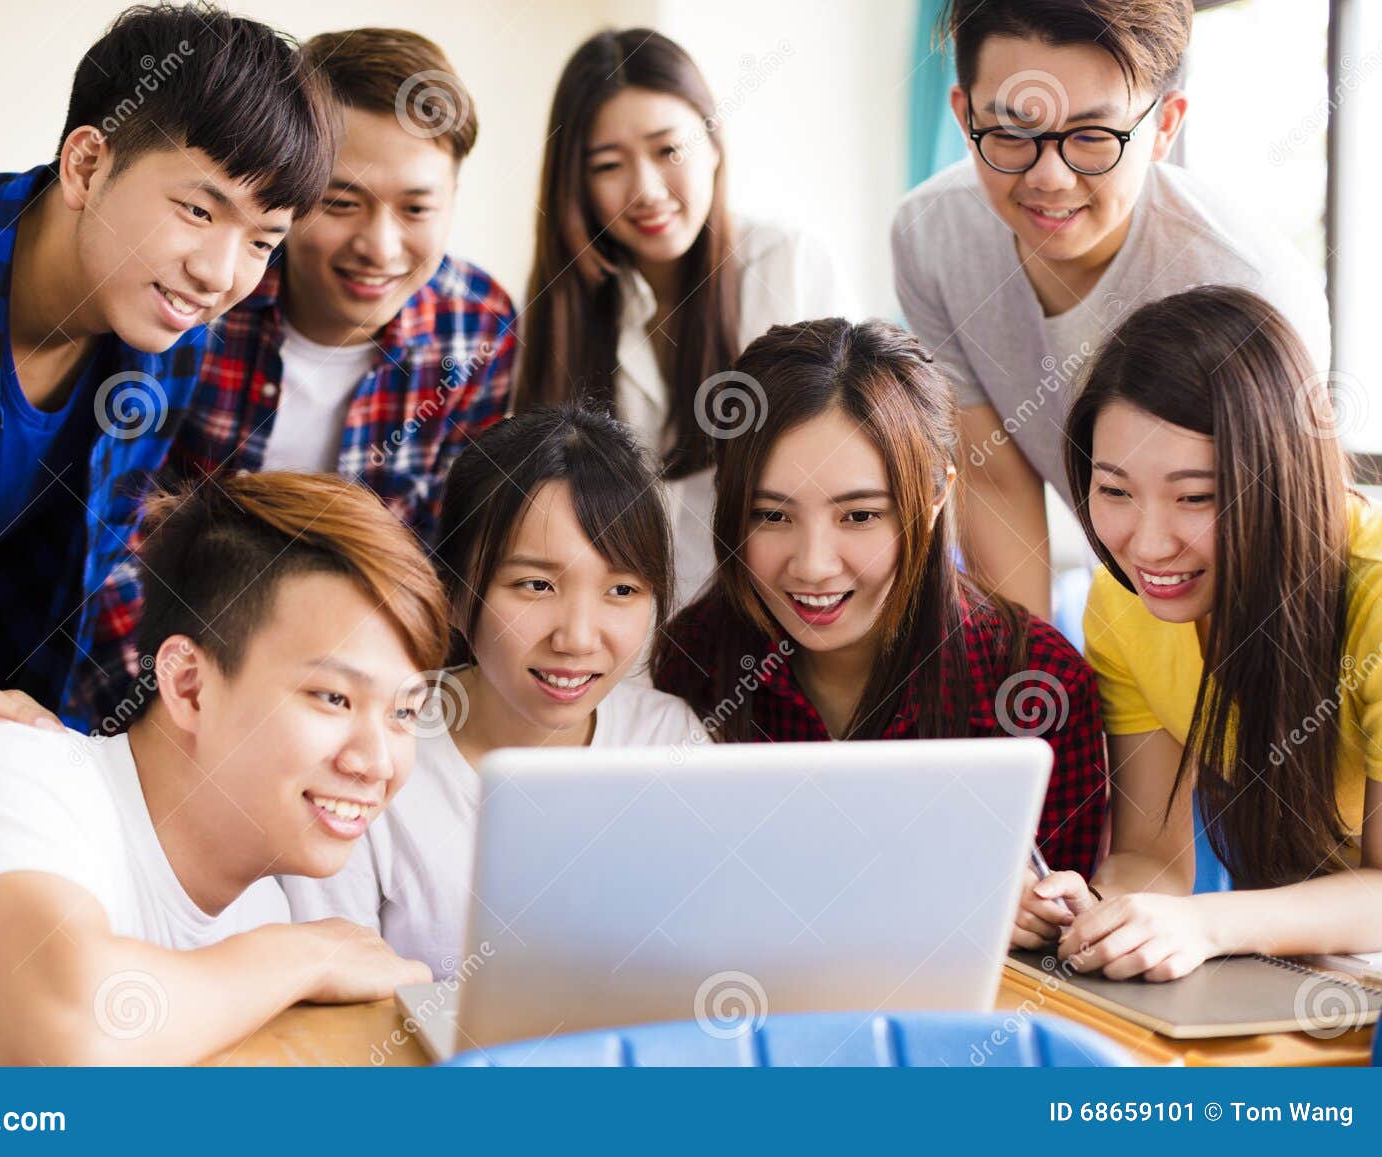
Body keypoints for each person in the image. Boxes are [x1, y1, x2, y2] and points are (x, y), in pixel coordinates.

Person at [0, 2, 336, 995]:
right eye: (199, 210)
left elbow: (74, 606)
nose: (220, 275)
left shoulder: (162, 339)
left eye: (263, 240)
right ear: (86, 164)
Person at [0, 472, 444, 1065]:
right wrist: (313, 954)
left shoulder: (258, 912)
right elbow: (54, 1048)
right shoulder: (12, 778)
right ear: (188, 685)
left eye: (405, 712)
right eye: (333, 697)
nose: (377, 762)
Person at [76, 27, 516, 729]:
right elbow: (107, 535)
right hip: (161, 682)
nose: (379, 245)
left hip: (361, 698)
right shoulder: (197, 300)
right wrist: (161, 712)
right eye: (341, 203)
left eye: (417, 208)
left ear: (454, 196)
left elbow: (455, 562)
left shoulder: (477, 327)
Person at [892, 0, 1330, 618]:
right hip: (1128, 610)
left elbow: (1286, 539)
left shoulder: (1252, 289)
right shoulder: (931, 236)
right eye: (1012, 133)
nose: (1049, 177)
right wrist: (1028, 683)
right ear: (964, 116)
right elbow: (995, 480)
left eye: (1093, 137)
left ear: (1166, 127)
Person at [653, 318, 1107, 878]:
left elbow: (1069, 936)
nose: (814, 565)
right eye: (771, 515)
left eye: (860, 515)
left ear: (937, 494)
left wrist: (1037, 914)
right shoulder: (692, 661)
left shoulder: (1038, 683)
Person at [1018, 287, 1382, 980]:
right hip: (1326, 977)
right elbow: (1153, 858)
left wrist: (1207, 923)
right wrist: (1091, 908)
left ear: (1279, 479)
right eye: (1116, 491)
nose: (1148, 546)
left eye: (1196, 496)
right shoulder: (1123, 606)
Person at [284, 406, 706, 978]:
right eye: (536, 585)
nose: (578, 638)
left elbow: (702, 956)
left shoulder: (667, 740)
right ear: (455, 594)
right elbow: (331, 998)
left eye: (622, 589)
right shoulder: (364, 757)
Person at [518, 27, 857, 609]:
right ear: (576, 183)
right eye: (608, 165)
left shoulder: (786, 262)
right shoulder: (561, 306)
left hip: (781, 610)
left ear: (714, 144)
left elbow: (839, 462)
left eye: (669, 150)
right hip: (628, 634)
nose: (646, 190)